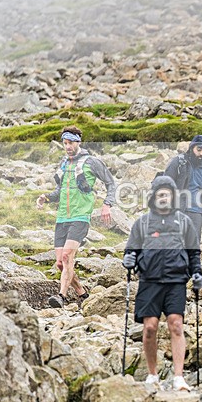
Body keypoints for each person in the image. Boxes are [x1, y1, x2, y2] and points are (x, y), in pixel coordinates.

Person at [122, 176, 202, 392]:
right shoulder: (143, 223)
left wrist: (197, 274)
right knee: (150, 328)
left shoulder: (184, 221)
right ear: (154, 197)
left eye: (167, 194)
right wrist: (128, 259)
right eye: (160, 194)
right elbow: (131, 249)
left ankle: (179, 377)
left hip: (176, 280)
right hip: (149, 280)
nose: (164, 197)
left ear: (173, 196)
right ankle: (152, 375)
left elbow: (194, 252)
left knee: (176, 324)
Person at [36, 126, 116, 308]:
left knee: (67, 256)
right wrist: (46, 198)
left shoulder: (92, 162)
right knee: (60, 263)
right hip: (62, 217)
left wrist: (107, 204)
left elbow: (111, 183)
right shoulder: (64, 163)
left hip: (80, 216)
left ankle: (61, 296)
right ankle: (82, 293)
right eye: (65, 143)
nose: (68, 147)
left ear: (79, 142)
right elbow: (59, 191)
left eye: (71, 143)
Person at [162, 135, 202, 241]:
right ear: (191, 148)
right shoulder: (179, 163)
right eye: (199, 150)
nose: (201, 154)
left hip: (197, 214)